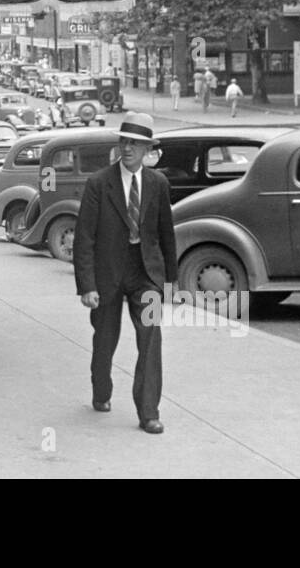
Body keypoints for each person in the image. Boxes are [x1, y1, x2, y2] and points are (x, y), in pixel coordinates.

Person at [72, 112, 176, 434]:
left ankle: (149, 412)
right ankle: (101, 389)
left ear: (147, 149)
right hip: (108, 273)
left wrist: (170, 283)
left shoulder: (158, 184)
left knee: (150, 337)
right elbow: (84, 238)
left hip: (146, 273)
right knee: (105, 338)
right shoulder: (99, 184)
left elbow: (166, 234)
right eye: (124, 142)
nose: (128, 148)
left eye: (135, 144)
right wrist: (87, 286)